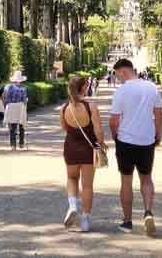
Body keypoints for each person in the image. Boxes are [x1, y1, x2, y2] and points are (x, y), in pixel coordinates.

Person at [109, 57, 162, 236]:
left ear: (123, 71)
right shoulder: (151, 87)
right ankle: (148, 211)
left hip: (125, 141)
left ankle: (127, 221)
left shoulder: (121, 92)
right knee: (146, 179)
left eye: (117, 75)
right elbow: (158, 114)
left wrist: (115, 137)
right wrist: (157, 134)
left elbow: (114, 120)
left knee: (126, 181)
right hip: (146, 140)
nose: (117, 79)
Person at [60, 75, 107, 233]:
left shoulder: (65, 108)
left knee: (71, 178)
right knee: (87, 186)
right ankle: (85, 219)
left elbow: (64, 128)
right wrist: (101, 143)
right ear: (83, 88)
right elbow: (98, 129)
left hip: (70, 148)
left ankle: (72, 205)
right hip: (88, 149)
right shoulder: (90, 106)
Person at [3, 71, 29, 150]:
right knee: (22, 126)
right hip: (20, 108)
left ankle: (13, 145)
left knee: (12, 127)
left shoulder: (8, 87)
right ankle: (21, 143)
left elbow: (6, 99)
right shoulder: (24, 88)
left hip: (11, 108)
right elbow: (24, 100)